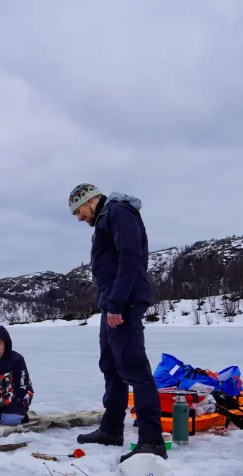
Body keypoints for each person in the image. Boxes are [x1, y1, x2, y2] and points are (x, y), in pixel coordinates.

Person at [68, 183, 167, 460]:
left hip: (124, 302)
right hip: (113, 302)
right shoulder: (106, 218)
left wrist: (116, 303)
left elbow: (130, 258)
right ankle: (111, 429)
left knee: (134, 367)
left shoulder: (119, 213)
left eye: (78, 211)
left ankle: (151, 440)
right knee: (111, 366)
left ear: (89, 201)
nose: (79, 218)